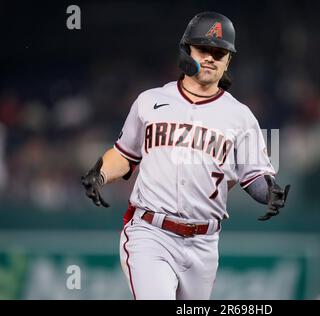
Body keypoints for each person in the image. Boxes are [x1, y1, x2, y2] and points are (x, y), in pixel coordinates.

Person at [81, 11, 290, 300]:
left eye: (220, 53)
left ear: (228, 60)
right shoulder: (150, 101)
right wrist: (100, 173)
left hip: (204, 244)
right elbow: (125, 154)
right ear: (186, 50)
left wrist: (269, 191)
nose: (211, 58)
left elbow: (254, 176)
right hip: (150, 232)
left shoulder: (241, 117)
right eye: (204, 49)